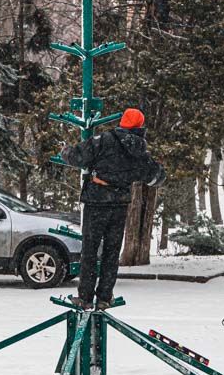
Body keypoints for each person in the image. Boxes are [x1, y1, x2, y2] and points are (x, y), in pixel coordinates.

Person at [60, 108, 166, 310]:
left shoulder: (104, 140)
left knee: (90, 251)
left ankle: (85, 297)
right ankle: (104, 296)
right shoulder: (140, 151)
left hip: (96, 201)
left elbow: (77, 157)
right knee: (111, 252)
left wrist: (65, 151)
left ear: (122, 123)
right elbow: (156, 176)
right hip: (120, 204)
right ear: (140, 127)